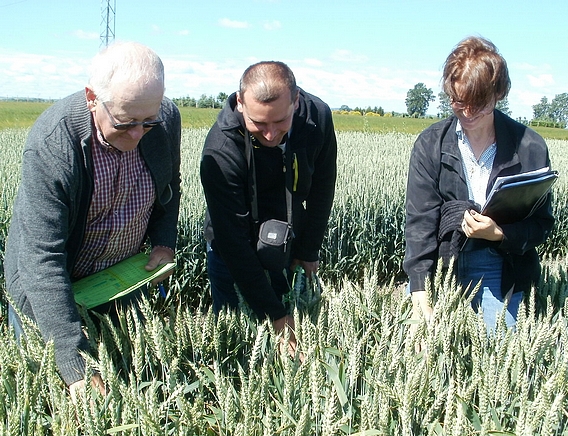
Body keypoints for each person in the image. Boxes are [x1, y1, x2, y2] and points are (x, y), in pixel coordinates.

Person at [4, 41, 181, 397]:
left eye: (148, 122)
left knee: (129, 378)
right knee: (49, 394)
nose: (137, 134)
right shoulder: (54, 143)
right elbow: (42, 257)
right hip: (52, 287)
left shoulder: (164, 119)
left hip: (119, 279)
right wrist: (72, 359)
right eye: (125, 122)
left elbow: (170, 183)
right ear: (91, 97)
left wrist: (164, 238)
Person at [403, 36, 554, 330]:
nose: (468, 114)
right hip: (443, 261)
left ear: (498, 94)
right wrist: (419, 289)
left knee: (497, 352)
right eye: (459, 103)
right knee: (422, 352)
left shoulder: (530, 147)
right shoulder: (431, 144)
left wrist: (497, 233)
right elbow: (419, 222)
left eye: (478, 104)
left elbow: (541, 225)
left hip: (501, 265)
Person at [200, 61, 337, 352]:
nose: (271, 134)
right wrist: (275, 315)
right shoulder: (221, 149)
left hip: (290, 242)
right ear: (240, 103)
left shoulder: (318, 117)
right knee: (235, 344)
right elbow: (233, 241)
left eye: (281, 121)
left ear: (296, 101)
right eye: (259, 124)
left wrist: (308, 248)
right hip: (232, 251)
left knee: (298, 339)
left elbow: (323, 186)